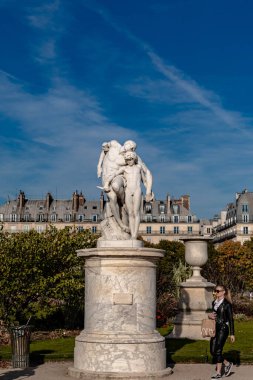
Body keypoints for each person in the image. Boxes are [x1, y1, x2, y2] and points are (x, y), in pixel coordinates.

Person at [104, 151, 149, 239]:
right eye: (127, 159)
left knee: (136, 213)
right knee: (130, 213)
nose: (129, 161)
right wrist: (107, 183)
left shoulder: (139, 167)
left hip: (137, 190)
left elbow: (144, 181)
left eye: (131, 159)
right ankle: (132, 234)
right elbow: (114, 175)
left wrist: (149, 191)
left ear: (134, 158)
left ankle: (134, 235)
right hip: (128, 190)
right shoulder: (124, 169)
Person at [208, 284, 235, 379]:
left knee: (218, 351)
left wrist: (232, 333)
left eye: (218, 291)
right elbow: (213, 314)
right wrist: (209, 316)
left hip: (223, 329)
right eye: (215, 291)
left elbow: (231, 319)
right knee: (212, 351)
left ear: (223, 292)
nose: (216, 292)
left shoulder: (227, 304)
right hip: (215, 328)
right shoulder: (214, 303)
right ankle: (227, 364)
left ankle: (218, 373)